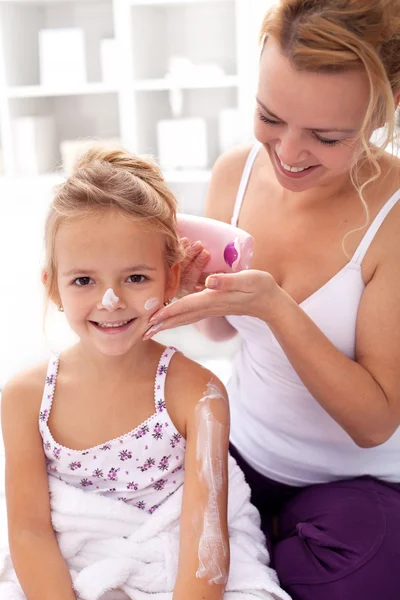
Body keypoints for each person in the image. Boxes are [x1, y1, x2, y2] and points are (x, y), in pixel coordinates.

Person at [144, 1, 400, 599]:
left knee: (368, 564)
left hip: (355, 481)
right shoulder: (236, 174)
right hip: (245, 450)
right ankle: (270, 537)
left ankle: (265, 537)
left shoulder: (392, 218)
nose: (288, 150)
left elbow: (375, 421)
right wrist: (202, 291)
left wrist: (275, 307)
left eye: (327, 136)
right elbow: (221, 335)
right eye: (269, 116)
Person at [0, 147, 233, 600]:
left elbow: (206, 545)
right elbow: (28, 533)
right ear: (53, 288)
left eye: (136, 278)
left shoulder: (199, 394)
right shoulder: (24, 397)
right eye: (84, 281)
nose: (110, 301)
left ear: (171, 279)